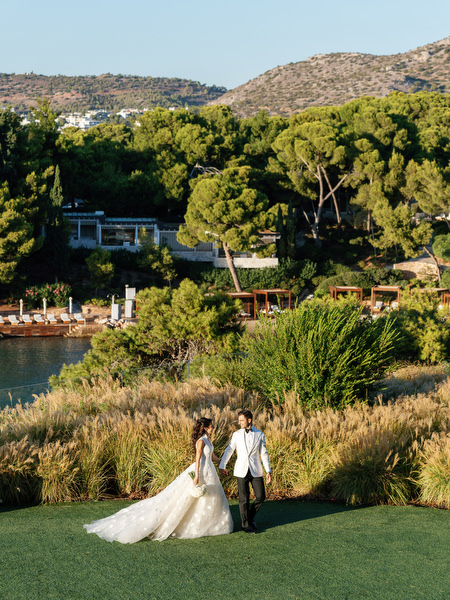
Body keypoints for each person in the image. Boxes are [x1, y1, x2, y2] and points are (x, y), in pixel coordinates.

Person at [84, 417, 233, 543]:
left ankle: (208, 524)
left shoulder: (208, 439)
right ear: (206, 427)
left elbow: (212, 456)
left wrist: (221, 465)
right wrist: (197, 477)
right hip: (201, 470)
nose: (213, 427)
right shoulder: (201, 441)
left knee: (209, 498)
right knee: (186, 498)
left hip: (210, 470)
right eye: (212, 425)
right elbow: (198, 458)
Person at [219, 409, 271, 534]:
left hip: (256, 469)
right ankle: (245, 525)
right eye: (239, 420)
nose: (239, 422)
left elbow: (264, 453)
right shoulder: (236, 434)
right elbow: (229, 449)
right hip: (241, 470)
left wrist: (268, 470)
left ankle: (249, 517)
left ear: (249, 420)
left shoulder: (260, 434)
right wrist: (222, 465)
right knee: (244, 498)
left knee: (260, 496)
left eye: (241, 420)